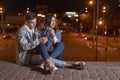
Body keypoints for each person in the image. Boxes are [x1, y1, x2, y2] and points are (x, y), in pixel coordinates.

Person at [16, 12, 85, 74]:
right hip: (38, 54)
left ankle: (46, 62)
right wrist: (38, 38)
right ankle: (72, 65)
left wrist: (53, 35)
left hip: (53, 54)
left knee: (61, 44)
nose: (34, 24)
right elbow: (34, 44)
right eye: (52, 21)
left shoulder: (57, 32)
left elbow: (57, 45)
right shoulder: (38, 30)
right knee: (42, 46)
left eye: (55, 21)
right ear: (47, 21)